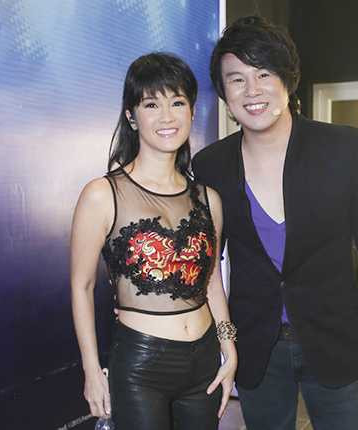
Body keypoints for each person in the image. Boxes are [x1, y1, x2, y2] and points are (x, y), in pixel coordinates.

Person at [192, 16, 358, 430]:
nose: (252, 90)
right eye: (237, 79)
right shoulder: (211, 165)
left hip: (337, 342)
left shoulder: (344, 149)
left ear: (287, 80)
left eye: (264, 74)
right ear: (225, 94)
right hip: (257, 349)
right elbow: (207, 266)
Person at [70, 52, 237, 430]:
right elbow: (82, 286)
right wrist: (92, 370)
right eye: (151, 104)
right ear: (131, 116)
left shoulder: (209, 199)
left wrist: (229, 346)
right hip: (141, 365)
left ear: (191, 111)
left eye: (177, 102)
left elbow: (211, 280)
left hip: (204, 361)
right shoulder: (102, 194)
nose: (167, 116)